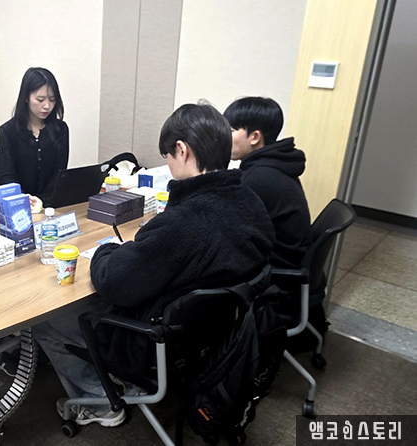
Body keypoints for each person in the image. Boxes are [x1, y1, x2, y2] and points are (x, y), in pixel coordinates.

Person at [32, 102, 275, 428]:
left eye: (168, 157)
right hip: (215, 337)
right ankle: (123, 383)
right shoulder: (250, 201)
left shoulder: (185, 223)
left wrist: (108, 252)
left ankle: (100, 401)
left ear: (182, 150)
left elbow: (114, 283)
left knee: (46, 322)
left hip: (154, 341)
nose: (169, 166)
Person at [224, 96, 311, 268]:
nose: (224, 136)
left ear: (255, 137)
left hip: (277, 266)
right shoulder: (275, 164)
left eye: (231, 130)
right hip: (290, 255)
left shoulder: (258, 177)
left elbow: (227, 228)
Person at [0, 67, 69, 205]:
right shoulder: (7, 131)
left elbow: (59, 172)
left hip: (50, 203)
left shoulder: (60, 129)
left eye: (52, 99)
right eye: (40, 100)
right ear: (26, 98)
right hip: (19, 203)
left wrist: (43, 201)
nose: (47, 106)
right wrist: (22, 197)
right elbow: (7, 176)